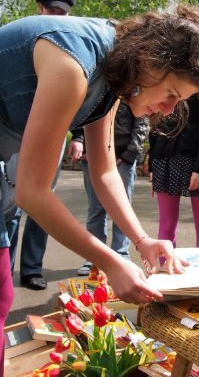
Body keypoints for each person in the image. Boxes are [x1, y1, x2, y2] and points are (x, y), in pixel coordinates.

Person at [0, 5, 199, 376]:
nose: (168, 108)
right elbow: (32, 193)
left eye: (179, 101)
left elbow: (105, 172)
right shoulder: (74, 65)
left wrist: (142, 240)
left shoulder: (114, 71)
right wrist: (111, 262)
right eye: (171, 93)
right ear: (150, 60)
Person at [4, 0, 80, 290]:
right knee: (11, 205)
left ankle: (32, 268)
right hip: (16, 135)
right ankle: (3, 270)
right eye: (52, 11)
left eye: (63, 13)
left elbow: (81, 97)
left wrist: (81, 137)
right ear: (40, 8)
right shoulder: (24, 38)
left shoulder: (72, 44)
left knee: (41, 204)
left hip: (54, 137)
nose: (57, 17)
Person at [148, 81, 199, 248]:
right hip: (165, 159)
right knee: (166, 226)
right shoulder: (168, 75)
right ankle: (164, 270)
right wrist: (152, 166)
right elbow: (156, 120)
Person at [76, 103, 150, 275]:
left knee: (122, 209)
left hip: (122, 157)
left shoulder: (133, 89)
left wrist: (128, 156)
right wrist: (83, 144)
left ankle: (121, 253)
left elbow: (142, 125)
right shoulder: (94, 88)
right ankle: (94, 257)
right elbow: (80, 116)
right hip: (93, 156)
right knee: (95, 210)